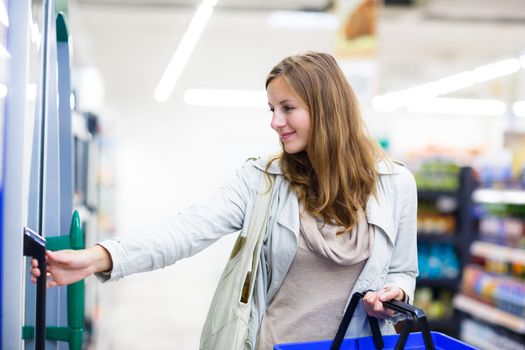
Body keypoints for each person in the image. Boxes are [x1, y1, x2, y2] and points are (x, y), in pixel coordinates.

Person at [31, 51, 418, 349]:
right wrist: (99, 256)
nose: (275, 122)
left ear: (327, 109)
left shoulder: (396, 185)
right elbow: (188, 228)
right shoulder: (264, 180)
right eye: (271, 109)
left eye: (287, 109)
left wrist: (394, 293)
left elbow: (403, 270)